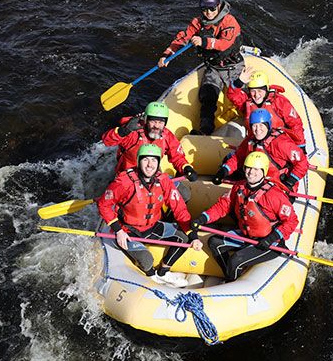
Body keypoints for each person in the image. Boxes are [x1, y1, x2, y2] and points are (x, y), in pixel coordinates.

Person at [97, 144, 203, 287]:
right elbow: (103, 204)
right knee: (147, 260)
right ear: (139, 161)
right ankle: (151, 276)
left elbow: (180, 209)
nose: (149, 165)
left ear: (158, 163)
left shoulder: (163, 180)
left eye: (153, 160)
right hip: (129, 231)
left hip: (151, 226)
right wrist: (118, 230)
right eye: (145, 160)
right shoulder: (124, 181)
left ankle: (163, 272)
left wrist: (194, 236)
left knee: (183, 237)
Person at [191, 152, 298, 281]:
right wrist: (203, 218)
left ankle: (231, 282)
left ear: (264, 172)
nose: (251, 172)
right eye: (248, 168)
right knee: (214, 242)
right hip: (246, 235)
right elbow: (223, 206)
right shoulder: (239, 187)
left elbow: (292, 221)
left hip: (269, 242)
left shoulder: (274, 195)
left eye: (256, 169)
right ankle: (232, 276)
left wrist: (272, 238)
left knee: (235, 260)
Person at [158, 0, 244, 135]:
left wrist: (204, 41)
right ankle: (205, 130)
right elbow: (183, 38)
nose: (208, 13)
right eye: (204, 9)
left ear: (218, 6)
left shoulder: (229, 22)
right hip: (213, 67)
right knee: (207, 96)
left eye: (211, 8)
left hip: (233, 66)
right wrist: (167, 54)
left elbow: (224, 44)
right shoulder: (198, 23)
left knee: (240, 98)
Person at [212, 109, 308, 193]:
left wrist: (290, 181)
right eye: (254, 126)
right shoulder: (251, 140)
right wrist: (224, 171)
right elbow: (238, 157)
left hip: (278, 183)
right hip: (256, 178)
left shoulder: (281, 143)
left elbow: (303, 162)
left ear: (268, 125)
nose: (258, 130)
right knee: (227, 162)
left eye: (261, 125)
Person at [102, 101, 198, 181]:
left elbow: (177, 156)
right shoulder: (133, 133)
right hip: (128, 177)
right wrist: (123, 131)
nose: (156, 126)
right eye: (153, 121)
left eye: (160, 122)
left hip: (152, 173)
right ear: (146, 120)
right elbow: (107, 141)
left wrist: (186, 168)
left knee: (185, 194)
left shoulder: (166, 136)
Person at [226, 66, 306, 148]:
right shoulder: (247, 102)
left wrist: (301, 145)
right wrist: (239, 82)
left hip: (277, 144)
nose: (256, 95)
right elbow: (233, 95)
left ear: (266, 89)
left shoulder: (279, 101)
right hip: (255, 143)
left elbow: (295, 124)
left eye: (260, 91)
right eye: (253, 91)